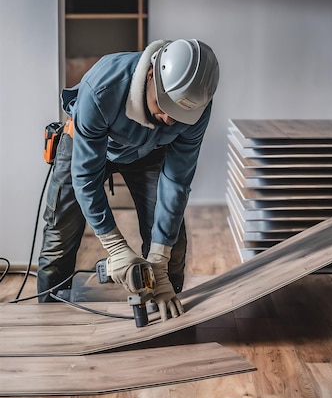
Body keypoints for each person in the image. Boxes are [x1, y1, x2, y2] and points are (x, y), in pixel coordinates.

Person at [37, 38, 219, 321]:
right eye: (165, 105)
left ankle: (168, 314)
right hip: (86, 143)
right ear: (151, 76)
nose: (170, 120)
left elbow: (177, 181)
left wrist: (158, 258)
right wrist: (116, 247)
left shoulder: (196, 106)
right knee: (59, 234)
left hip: (147, 150)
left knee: (173, 245)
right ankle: (48, 319)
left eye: (179, 114)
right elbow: (86, 177)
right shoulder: (102, 88)